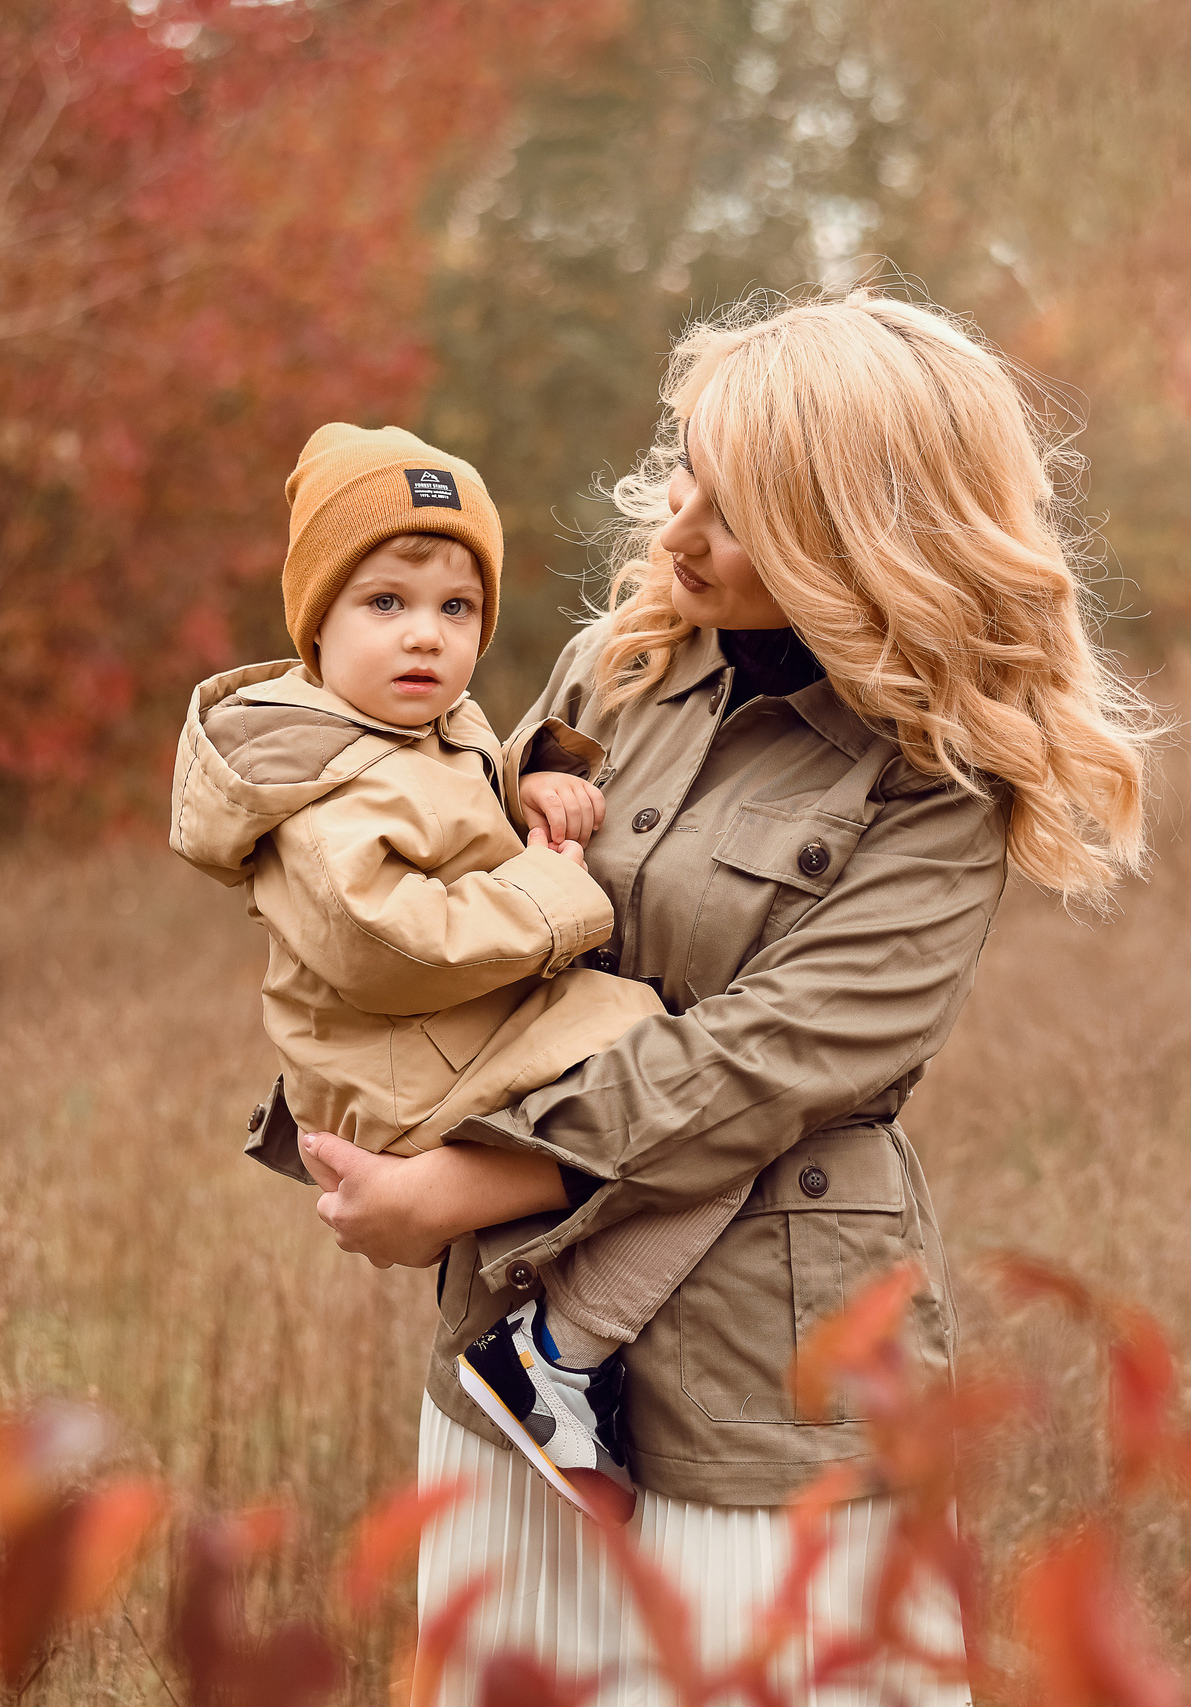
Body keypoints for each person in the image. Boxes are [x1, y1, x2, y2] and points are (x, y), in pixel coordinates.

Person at [298, 290, 1162, 1703]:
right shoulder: (617, 668)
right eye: (689, 468)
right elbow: (469, 912)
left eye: (740, 505)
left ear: (858, 535)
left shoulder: (934, 774)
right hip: (509, 1343)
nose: (681, 525)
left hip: (771, 1375)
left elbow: (780, 1054)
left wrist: (469, 1182)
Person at [170, 424, 767, 1526]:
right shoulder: (316, 785)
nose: (425, 638)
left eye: (456, 610)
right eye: (384, 603)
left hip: (454, 1039)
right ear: (314, 626)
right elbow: (383, 941)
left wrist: (530, 776)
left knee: (687, 1094)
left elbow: (455, 802)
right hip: (404, 1063)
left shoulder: (422, 728)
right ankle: (554, 1355)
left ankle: (563, 1345)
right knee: (702, 1107)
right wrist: (551, 896)